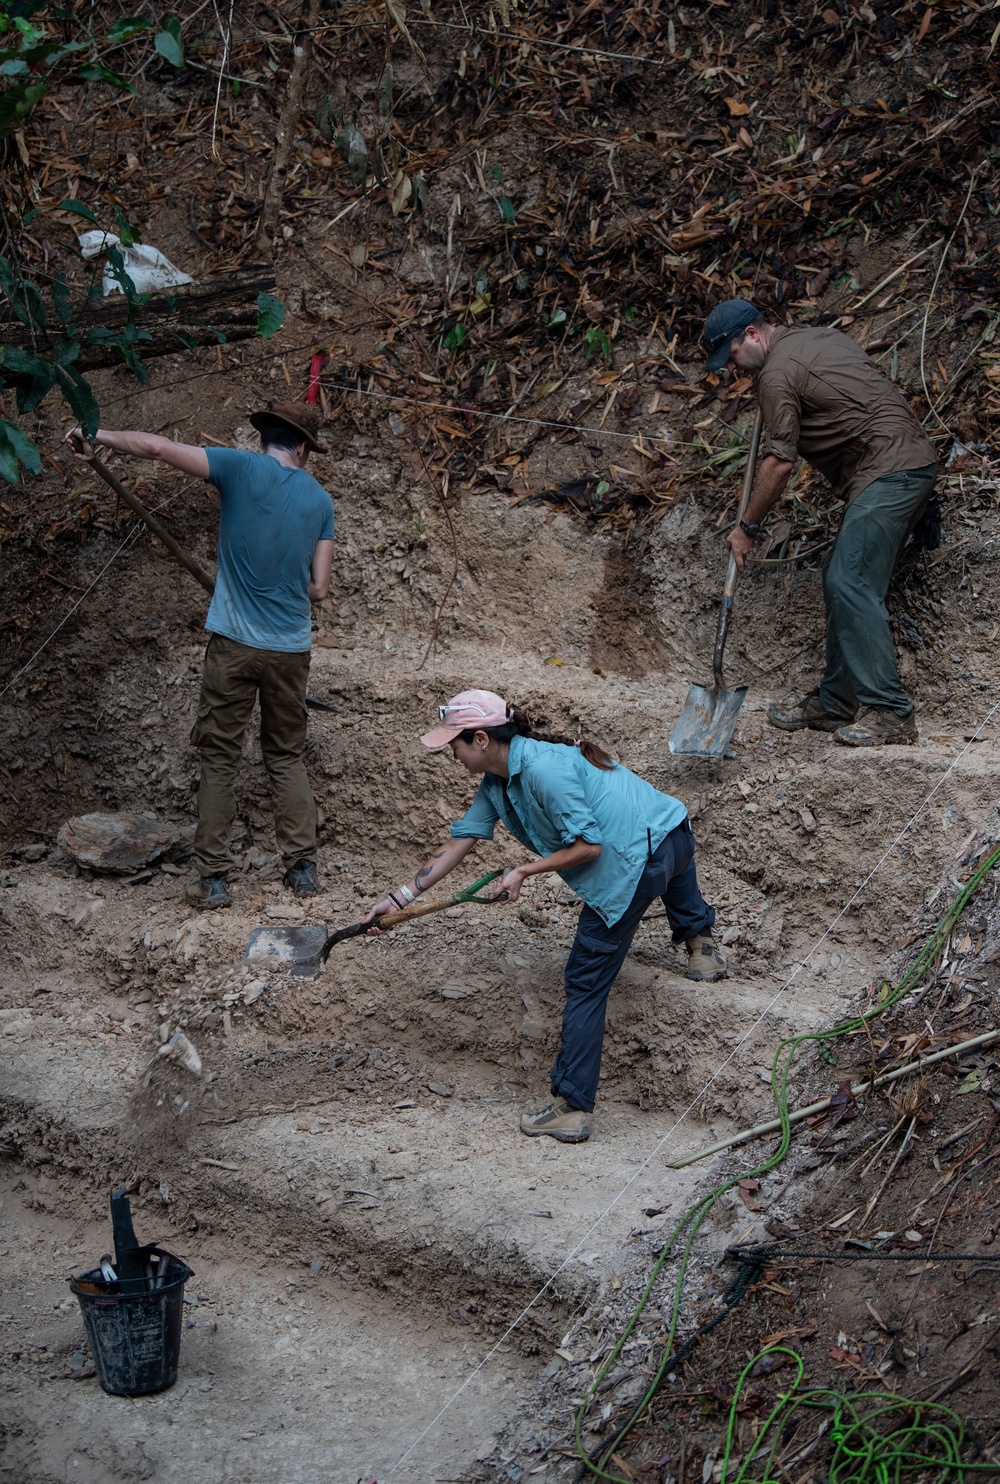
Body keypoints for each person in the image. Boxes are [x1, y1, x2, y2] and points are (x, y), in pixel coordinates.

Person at [364, 690, 726, 1144]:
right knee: (669, 852)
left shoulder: (543, 771)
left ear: (479, 739)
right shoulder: (499, 782)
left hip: (635, 864)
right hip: (672, 834)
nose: (450, 753)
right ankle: (701, 946)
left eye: (452, 744)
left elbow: (590, 848)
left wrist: (524, 870)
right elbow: (461, 841)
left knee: (585, 982)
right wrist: (398, 899)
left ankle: (573, 1108)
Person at [67, 401, 334, 908]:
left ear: (266, 441)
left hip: (233, 645)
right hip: (290, 651)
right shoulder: (321, 501)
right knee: (285, 755)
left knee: (220, 758)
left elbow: (156, 446)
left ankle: (212, 879)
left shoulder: (238, 467)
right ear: (302, 447)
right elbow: (319, 589)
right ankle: (302, 869)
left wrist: (95, 435)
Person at [703, 300, 939, 747]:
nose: (733, 369)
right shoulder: (817, 338)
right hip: (907, 463)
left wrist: (747, 528)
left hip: (888, 472)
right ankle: (836, 701)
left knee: (849, 581)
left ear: (752, 335)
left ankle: (891, 711)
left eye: (732, 357)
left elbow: (778, 465)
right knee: (842, 574)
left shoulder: (775, 374)